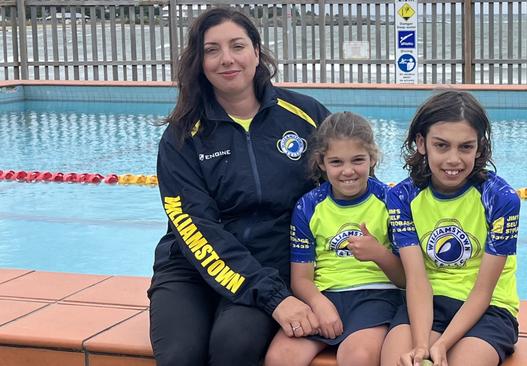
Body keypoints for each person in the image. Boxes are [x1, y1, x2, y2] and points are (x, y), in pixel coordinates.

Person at [147, 7, 330, 366]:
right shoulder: (183, 137)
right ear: (199, 61)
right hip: (191, 268)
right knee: (180, 356)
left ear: (256, 53)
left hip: (271, 263)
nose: (226, 59)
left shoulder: (306, 115)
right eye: (212, 50)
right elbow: (196, 229)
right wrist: (275, 298)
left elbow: (351, 187)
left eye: (237, 46)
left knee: (235, 346)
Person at [381, 91, 520, 366]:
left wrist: (442, 343)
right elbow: (417, 279)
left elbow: (483, 291)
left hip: (488, 309)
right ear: (422, 143)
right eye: (442, 146)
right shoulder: (403, 197)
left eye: (465, 147)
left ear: (479, 147)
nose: (454, 159)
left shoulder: (500, 198)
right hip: (426, 302)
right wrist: (422, 345)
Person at [265, 112, 405, 366]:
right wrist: (319, 304)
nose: (348, 171)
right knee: (279, 357)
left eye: (358, 160)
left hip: (376, 297)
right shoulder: (308, 206)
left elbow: (406, 278)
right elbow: (301, 279)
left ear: (372, 158)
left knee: (357, 357)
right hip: (324, 296)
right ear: (321, 162)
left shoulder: (390, 201)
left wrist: (379, 254)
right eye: (337, 162)